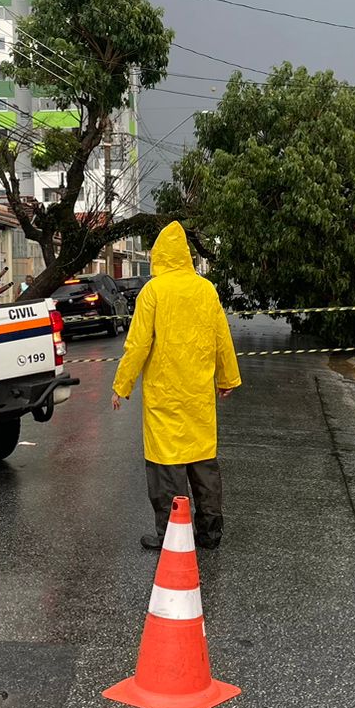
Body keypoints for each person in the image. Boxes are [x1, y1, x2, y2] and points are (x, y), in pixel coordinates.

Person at [112, 222, 241, 551]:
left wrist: (122, 385)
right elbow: (221, 340)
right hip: (198, 396)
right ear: (185, 256)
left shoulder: (153, 292)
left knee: (166, 467)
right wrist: (227, 379)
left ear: (158, 257)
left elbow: (138, 345)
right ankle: (211, 532)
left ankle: (171, 534)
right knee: (203, 464)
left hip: (164, 398)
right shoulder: (206, 290)